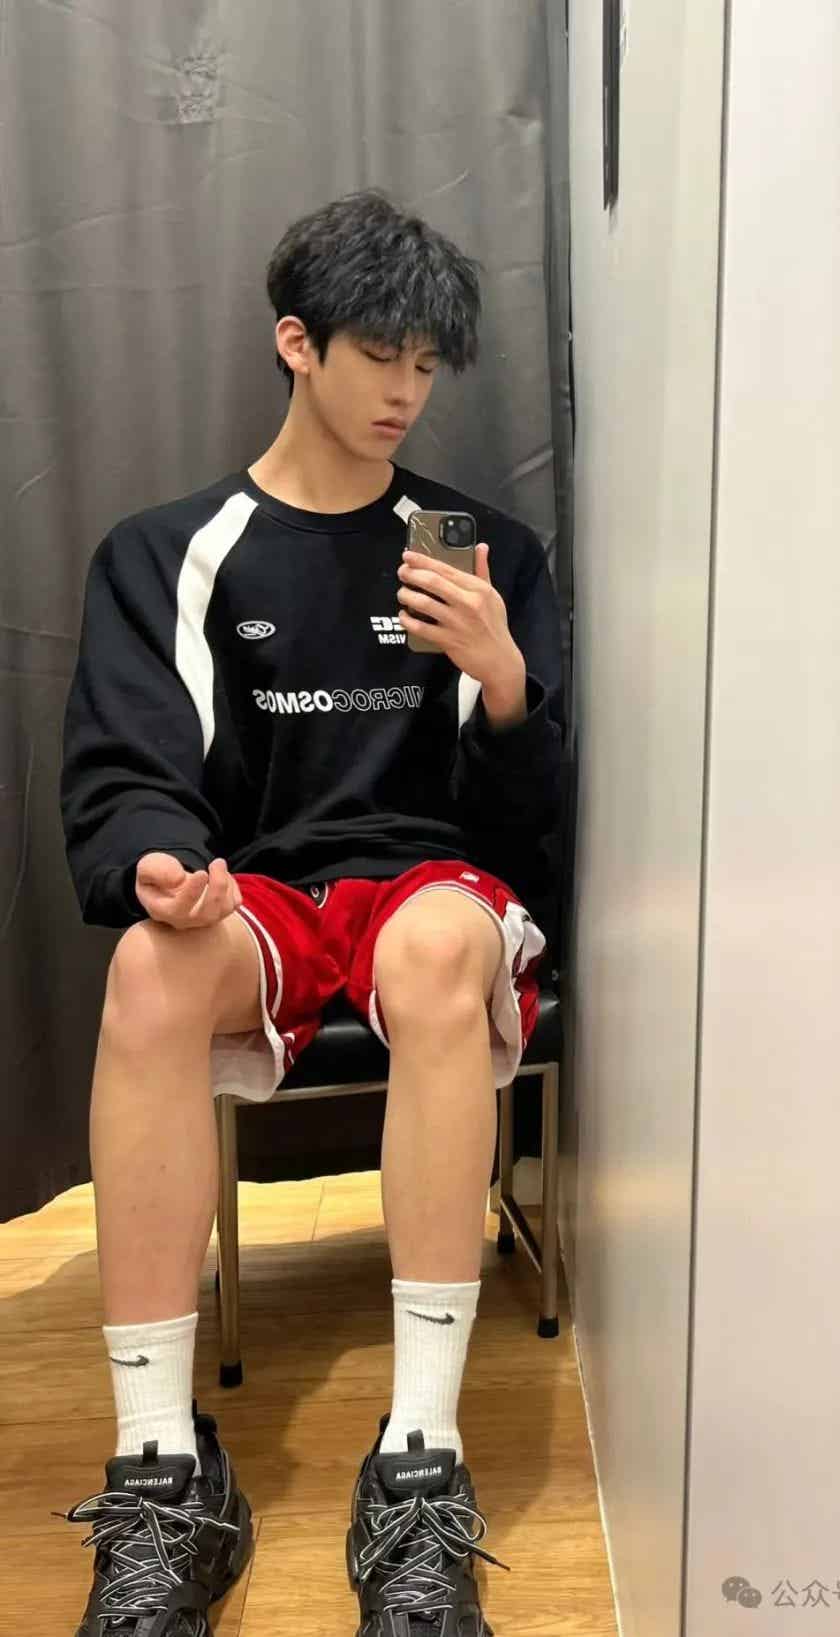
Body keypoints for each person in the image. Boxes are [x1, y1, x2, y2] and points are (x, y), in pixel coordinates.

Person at [57, 188, 564, 1637]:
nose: (408, 389)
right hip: (263, 888)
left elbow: (527, 831)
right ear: (298, 343)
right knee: (149, 969)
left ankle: (421, 1461)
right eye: (380, 354)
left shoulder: (483, 554)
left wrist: (507, 684)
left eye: (429, 364)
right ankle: (162, 1469)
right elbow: (128, 770)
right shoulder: (171, 552)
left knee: (441, 944)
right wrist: (160, 863)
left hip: (429, 884)